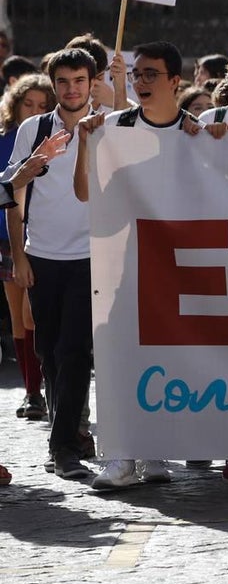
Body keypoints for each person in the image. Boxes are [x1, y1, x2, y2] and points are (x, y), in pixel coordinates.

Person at [74, 41, 197, 489]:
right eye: (136, 74)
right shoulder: (114, 127)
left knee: (171, 357)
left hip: (183, 266)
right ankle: (122, 456)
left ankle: (156, 450)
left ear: (175, 81)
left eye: (151, 74)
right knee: (120, 355)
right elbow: (86, 194)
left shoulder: (197, 131)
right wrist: (86, 145)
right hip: (127, 263)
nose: (141, 82)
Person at [6, 47, 106, 479]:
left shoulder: (107, 125)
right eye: (63, 81)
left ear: (92, 82)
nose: (71, 89)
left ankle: (63, 445)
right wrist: (19, 256)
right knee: (48, 352)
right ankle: (65, 437)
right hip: (42, 257)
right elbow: (12, 193)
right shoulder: (34, 129)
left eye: (79, 80)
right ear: (53, 85)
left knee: (76, 351)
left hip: (91, 257)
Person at [0, 74, 55, 422]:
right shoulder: (4, 139)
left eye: (41, 105)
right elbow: (6, 188)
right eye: (28, 103)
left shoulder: (56, 139)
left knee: (31, 314)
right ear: (15, 105)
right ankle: (32, 392)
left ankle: (41, 388)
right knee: (18, 317)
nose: (33, 111)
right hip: (6, 236)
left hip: (41, 236)